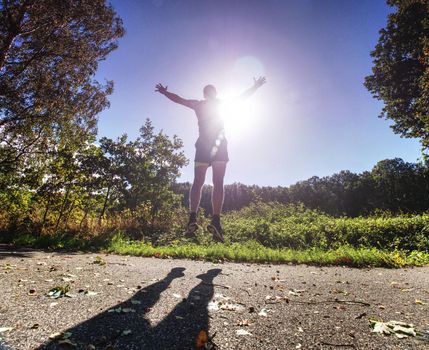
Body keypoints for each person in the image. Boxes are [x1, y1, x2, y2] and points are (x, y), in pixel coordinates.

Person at [155, 76, 266, 242]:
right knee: (218, 182)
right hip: (219, 144)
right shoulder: (221, 104)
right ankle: (216, 221)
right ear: (215, 93)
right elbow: (241, 97)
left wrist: (165, 92)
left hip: (203, 146)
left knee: (198, 182)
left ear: (205, 94)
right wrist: (255, 86)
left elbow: (180, 100)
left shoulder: (199, 104)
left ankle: (192, 218)